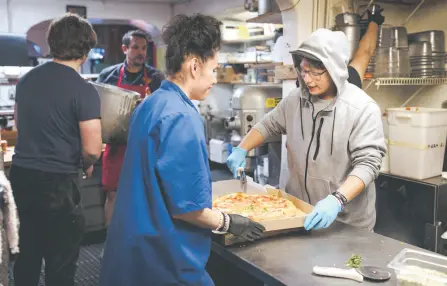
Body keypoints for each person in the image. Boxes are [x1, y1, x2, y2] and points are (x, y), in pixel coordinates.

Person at [100, 14, 265, 286]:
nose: (214, 78)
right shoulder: (181, 116)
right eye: (214, 69)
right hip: (164, 258)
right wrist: (229, 222)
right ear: (194, 65)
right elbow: (187, 209)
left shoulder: (152, 103)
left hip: (134, 248)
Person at [227, 28, 386, 232]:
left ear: (334, 68)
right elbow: (267, 125)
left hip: (346, 224)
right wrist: (242, 148)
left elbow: (368, 164)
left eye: (315, 72)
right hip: (298, 216)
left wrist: (337, 200)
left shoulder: (362, 109)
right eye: (304, 70)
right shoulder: (295, 100)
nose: (308, 79)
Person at [11, 13, 102, 286]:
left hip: (22, 178)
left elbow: (18, 124)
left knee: (26, 257)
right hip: (58, 186)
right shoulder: (83, 90)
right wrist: (85, 160)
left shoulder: (26, 81)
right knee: (60, 263)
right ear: (85, 49)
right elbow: (94, 149)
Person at [96, 30, 164, 225]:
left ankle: (139, 245)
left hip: (145, 145)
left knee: (144, 197)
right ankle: (111, 244)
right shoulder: (108, 75)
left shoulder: (155, 77)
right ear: (125, 49)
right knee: (113, 196)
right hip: (116, 145)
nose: (141, 52)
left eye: (144, 48)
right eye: (135, 47)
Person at [348, 6, 385, 88]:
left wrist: (373, 22)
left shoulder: (349, 79)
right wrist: (374, 22)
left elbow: (366, 51)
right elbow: (366, 51)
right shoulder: (349, 80)